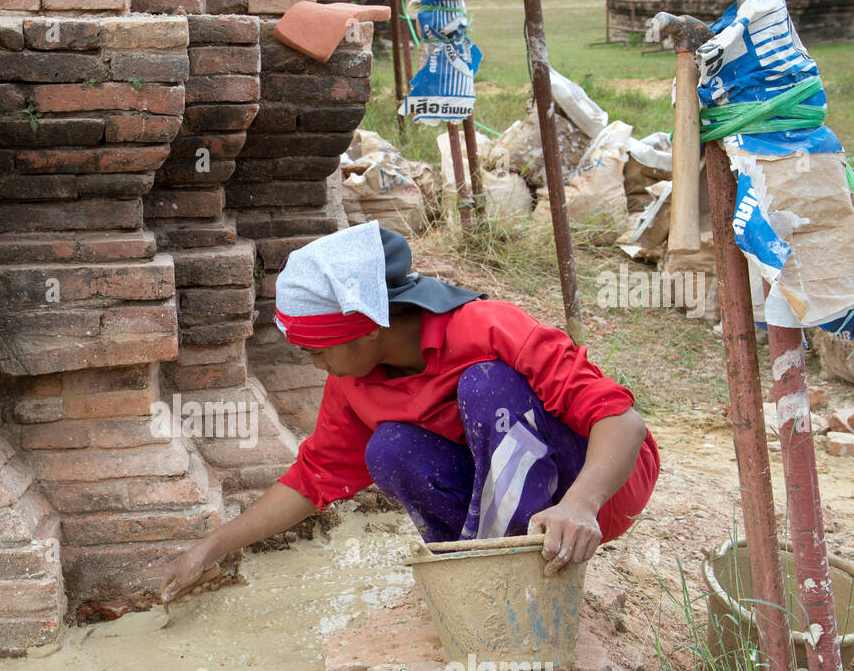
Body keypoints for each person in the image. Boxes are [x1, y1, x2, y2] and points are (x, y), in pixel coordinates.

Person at [160, 222, 660, 601]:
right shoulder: (353, 382)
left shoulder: (486, 328)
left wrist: (580, 504)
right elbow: (313, 479)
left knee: (486, 384)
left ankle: (514, 580)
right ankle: (468, 578)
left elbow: (623, 421)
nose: (316, 365)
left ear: (368, 325)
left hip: (596, 487)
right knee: (390, 448)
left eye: (318, 349)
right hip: (520, 501)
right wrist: (213, 546)